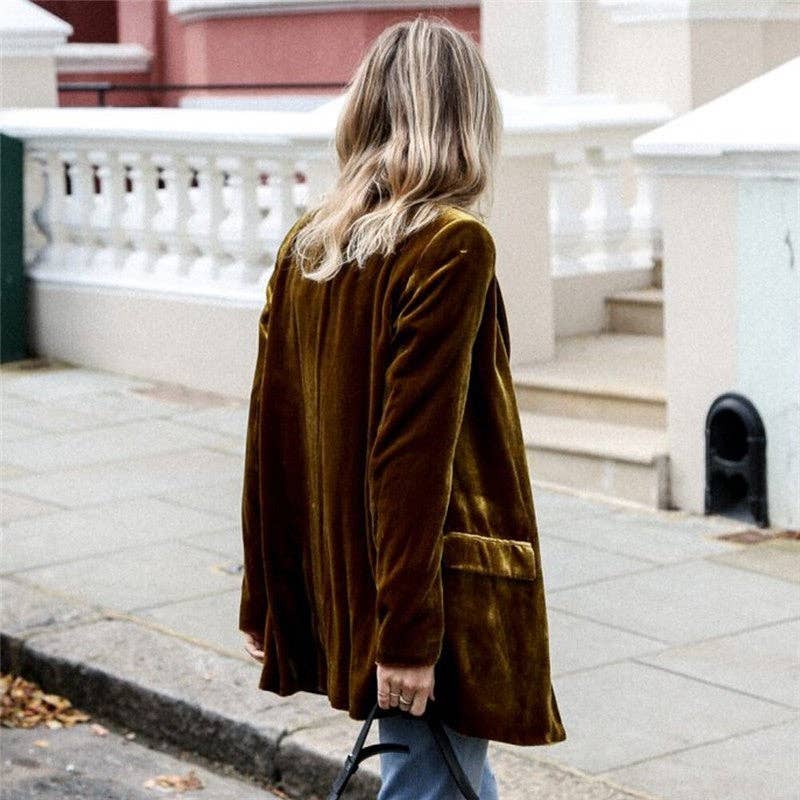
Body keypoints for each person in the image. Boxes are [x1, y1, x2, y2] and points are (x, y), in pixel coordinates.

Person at [239, 16, 566, 799]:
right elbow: (411, 459)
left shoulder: (308, 246)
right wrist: (410, 637)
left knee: (449, 777)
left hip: (360, 579)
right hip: (426, 593)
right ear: (468, 119)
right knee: (434, 782)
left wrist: (266, 596)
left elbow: (268, 438)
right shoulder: (451, 245)